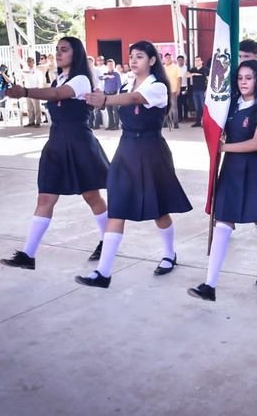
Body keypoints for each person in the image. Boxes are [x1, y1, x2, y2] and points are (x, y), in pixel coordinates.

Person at [75, 41, 192, 288]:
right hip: (126, 150)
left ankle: (169, 254)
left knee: (159, 210)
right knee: (117, 209)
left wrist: (105, 99)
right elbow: (129, 94)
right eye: (131, 56)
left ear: (151, 60)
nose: (133, 60)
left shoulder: (158, 86)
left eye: (139, 56)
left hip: (150, 151)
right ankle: (103, 273)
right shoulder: (128, 83)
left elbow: (136, 98)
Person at [0, 37, 110, 270]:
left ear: (76, 54)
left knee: (91, 196)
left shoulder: (80, 79)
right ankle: (28, 255)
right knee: (46, 197)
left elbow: (58, 94)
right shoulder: (58, 77)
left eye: (64, 50)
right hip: (57, 141)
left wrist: (26, 91)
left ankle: (107, 241)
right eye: (57, 50)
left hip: (78, 141)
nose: (58, 54)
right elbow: (55, 91)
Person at [188, 59, 257, 301]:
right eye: (240, 78)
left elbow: (256, 143)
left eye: (249, 78)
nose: (243, 82)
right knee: (223, 224)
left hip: (254, 169)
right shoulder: (231, 103)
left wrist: (223, 147)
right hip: (231, 169)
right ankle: (210, 285)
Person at [21, 56, 44, 128]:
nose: (29, 63)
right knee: (29, 107)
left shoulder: (37, 71)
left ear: (33, 62)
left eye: (30, 61)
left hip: (35, 89)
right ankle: (31, 121)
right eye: (28, 61)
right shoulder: (26, 70)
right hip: (27, 89)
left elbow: (40, 81)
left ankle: (38, 121)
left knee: (36, 107)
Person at [188, 56, 209, 127]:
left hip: (202, 90)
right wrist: (193, 74)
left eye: (198, 60)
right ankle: (198, 122)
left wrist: (207, 90)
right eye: (195, 61)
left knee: (203, 107)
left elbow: (209, 80)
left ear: (201, 61)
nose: (197, 62)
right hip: (195, 90)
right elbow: (186, 75)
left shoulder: (205, 69)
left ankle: (205, 122)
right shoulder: (193, 69)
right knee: (197, 108)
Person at [101, 59, 122, 130]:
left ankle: (116, 125)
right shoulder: (105, 74)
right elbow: (100, 78)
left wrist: (118, 94)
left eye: (112, 65)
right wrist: (106, 77)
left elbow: (119, 85)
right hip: (106, 94)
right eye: (109, 65)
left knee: (115, 111)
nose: (110, 66)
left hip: (114, 94)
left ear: (114, 65)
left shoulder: (116, 74)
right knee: (109, 111)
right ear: (107, 66)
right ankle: (111, 125)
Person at [162, 53, 180, 129]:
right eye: (166, 58)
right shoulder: (163, 68)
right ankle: (164, 122)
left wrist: (178, 88)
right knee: (165, 106)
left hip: (173, 90)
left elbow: (179, 79)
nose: (168, 59)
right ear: (164, 59)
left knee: (174, 107)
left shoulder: (176, 67)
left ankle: (175, 123)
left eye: (169, 58)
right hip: (164, 91)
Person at [86, 57, 103, 129]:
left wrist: (100, 89)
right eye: (88, 62)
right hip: (88, 90)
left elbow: (101, 80)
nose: (89, 64)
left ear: (93, 62)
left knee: (97, 110)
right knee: (90, 109)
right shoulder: (85, 71)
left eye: (90, 62)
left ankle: (97, 124)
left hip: (96, 89)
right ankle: (90, 124)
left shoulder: (97, 70)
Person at [176, 55, 189, 122]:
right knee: (179, 103)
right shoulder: (175, 68)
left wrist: (187, 88)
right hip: (178, 87)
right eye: (179, 60)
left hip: (185, 86)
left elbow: (188, 79)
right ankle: (180, 117)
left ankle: (186, 117)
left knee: (185, 103)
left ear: (184, 61)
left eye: (181, 60)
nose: (180, 61)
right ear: (177, 61)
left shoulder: (187, 68)